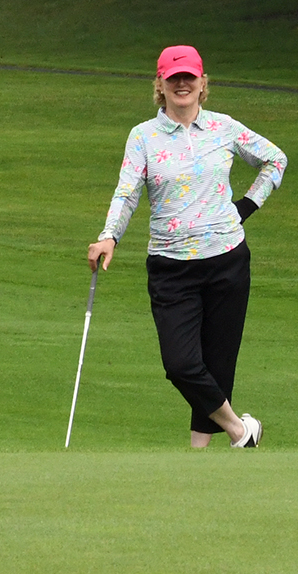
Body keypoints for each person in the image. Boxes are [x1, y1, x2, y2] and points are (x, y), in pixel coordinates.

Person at [86, 45, 286, 448]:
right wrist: (110, 235)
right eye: (173, 77)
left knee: (217, 364)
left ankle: (199, 460)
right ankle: (240, 429)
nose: (182, 83)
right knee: (180, 364)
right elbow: (127, 193)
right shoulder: (143, 136)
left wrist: (243, 208)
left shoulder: (224, 128)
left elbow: (275, 160)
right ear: (160, 84)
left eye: (189, 77)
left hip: (227, 261)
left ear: (202, 83)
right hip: (171, 265)